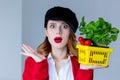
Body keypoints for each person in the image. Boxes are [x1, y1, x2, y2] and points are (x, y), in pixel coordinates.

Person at [21, 6, 107, 80]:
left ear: (70, 32)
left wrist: (84, 69)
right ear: (46, 31)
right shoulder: (32, 62)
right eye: (52, 26)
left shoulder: (82, 62)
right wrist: (40, 64)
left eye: (64, 26)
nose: (58, 31)